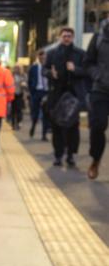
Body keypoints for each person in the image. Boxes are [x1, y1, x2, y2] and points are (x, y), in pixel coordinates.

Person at [43, 27, 87, 167]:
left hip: (73, 96)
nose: (66, 38)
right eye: (64, 36)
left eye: (69, 36)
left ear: (73, 37)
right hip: (57, 94)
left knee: (73, 126)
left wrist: (75, 69)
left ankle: (71, 155)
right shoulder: (51, 53)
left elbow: (87, 71)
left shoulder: (80, 54)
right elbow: (44, 70)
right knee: (56, 125)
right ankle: (58, 155)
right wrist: (51, 74)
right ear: (60, 37)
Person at [84, 14, 109, 180]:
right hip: (100, 89)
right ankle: (95, 160)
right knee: (98, 126)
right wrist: (98, 75)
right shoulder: (99, 37)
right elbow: (88, 62)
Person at [28, 49, 50, 140]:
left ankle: (44, 134)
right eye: (40, 56)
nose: (42, 58)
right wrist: (32, 91)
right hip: (37, 92)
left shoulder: (49, 67)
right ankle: (33, 125)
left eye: (44, 56)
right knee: (35, 113)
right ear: (38, 57)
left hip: (46, 92)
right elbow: (29, 81)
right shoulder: (33, 68)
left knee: (46, 114)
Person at [10, 64, 27, 130]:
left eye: (18, 68)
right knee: (13, 109)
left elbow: (26, 84)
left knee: (19, 109)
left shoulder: (23, 75)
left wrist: (24, 84)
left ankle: (19, 122)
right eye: (15, 68)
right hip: (13, 94)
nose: (16, 69)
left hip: (20, 94)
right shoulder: (12, 75)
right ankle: (13, 124)